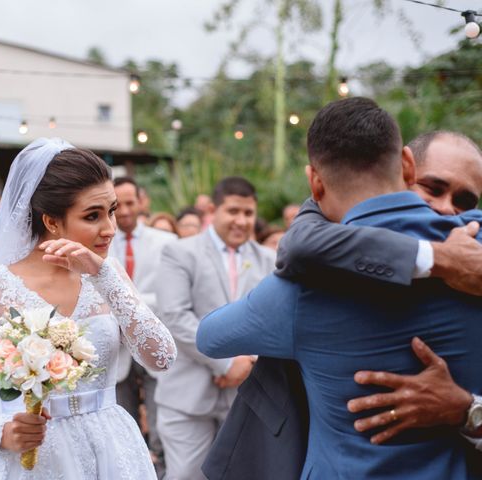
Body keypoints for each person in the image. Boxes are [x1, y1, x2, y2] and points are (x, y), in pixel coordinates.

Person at [197, 98, 482, 479]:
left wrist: (467, 410)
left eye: (465, 201)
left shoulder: (304, 285)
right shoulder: (472, 252)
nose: (448, 211)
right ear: (408, 167)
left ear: (315, 182)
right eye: (436, 188)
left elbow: (211, 336)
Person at [0, 138, 176, 480]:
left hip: (110, 450)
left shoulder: (110, 277)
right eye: (92, 216)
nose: (110, 228)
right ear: (51, 221)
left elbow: (162, 358)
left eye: (111, 211)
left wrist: (105, 278)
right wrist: (1, 431)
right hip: (30, 457)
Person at [155, 177, 276, 480]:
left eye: (248, 213)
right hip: (187, 397)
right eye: (233, 211)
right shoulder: (179, 252)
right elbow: (175, 317)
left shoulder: (270, 260)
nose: (241, 221)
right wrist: (224, 363)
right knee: (186, 475)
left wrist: (249, 361)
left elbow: (277, 320)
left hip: (247, 393)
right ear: (212, 210)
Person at [109, 176, 177, 476]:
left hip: (153, 344)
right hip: (114, 347)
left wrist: (127, 303)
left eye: (129, 202)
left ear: (142, 202)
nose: (123, 210)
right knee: (122, 420)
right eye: (117, 204)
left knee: (161, 418)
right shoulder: (99, 242)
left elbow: (171, 295)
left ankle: (161, 470)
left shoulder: (167, 243)